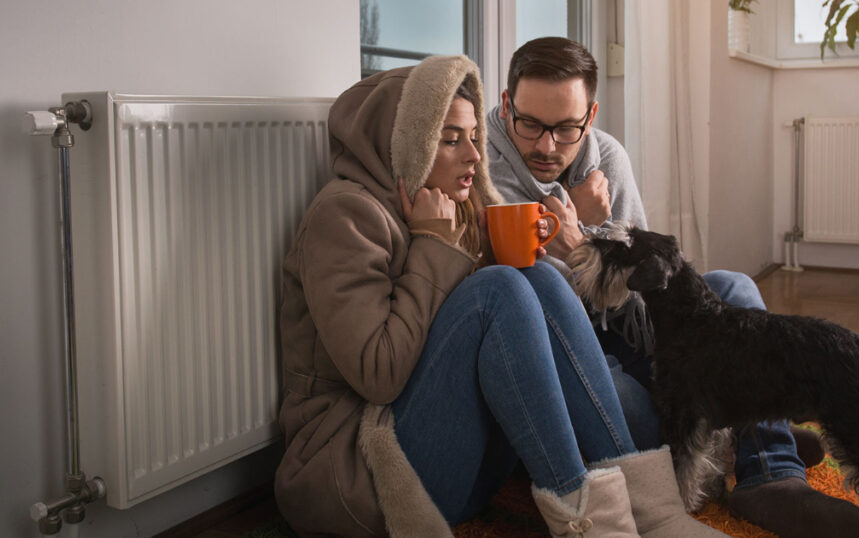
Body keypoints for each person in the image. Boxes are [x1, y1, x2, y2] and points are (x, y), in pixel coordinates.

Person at [273, 55, 725, 537]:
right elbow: (380, 377)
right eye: (450, 140)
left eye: (473, 137)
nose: (474, 154)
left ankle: (652, 512)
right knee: (499, 289)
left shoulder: (459, 206)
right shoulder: (345, 216)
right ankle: (592, 525)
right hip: (364, 476)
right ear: (401, 145)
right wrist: (432, 246)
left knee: (536, 276)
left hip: (457, 465)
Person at [487, 37, 859, 538]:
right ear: (505, 104)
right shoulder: (486, 175)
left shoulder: (607, 156)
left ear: (591, 114)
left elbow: (647, 298)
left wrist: (585, 243)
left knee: (731, 289)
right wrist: (579, 222)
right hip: (567, 354)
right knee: (648, 425)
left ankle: (771, 472)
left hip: (628, 330)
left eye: (566, 128)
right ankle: (742, 431)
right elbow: (528, 309)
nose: (546, 146)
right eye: (531, 124)